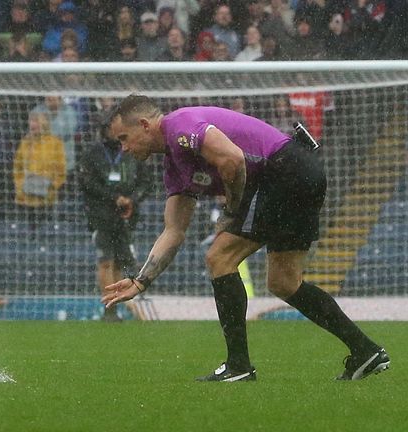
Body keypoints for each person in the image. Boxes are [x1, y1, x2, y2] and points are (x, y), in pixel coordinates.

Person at [102, 94, 390, 381]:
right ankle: (365, 350)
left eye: (125, 138)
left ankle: (238, 366)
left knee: (219, 258)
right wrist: (141, 280)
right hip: (302, 172)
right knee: (284, 282)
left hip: (283, 171)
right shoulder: (175, 168)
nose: (124, 148)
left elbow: (233, 159)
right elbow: (174, 230)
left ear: (144, 125)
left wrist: (232, 209)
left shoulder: (180, 127)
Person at [78, 122, 153, 322]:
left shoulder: (132, 150)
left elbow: (147, 182)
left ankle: (115, 308)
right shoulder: (93, 153)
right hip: (101, 215)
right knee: (105, 261)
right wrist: (113, 197)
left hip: (126, 215)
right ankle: (108, 311)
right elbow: (86, 182)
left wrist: (132, 199)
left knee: (119, 262)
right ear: (105, 129)